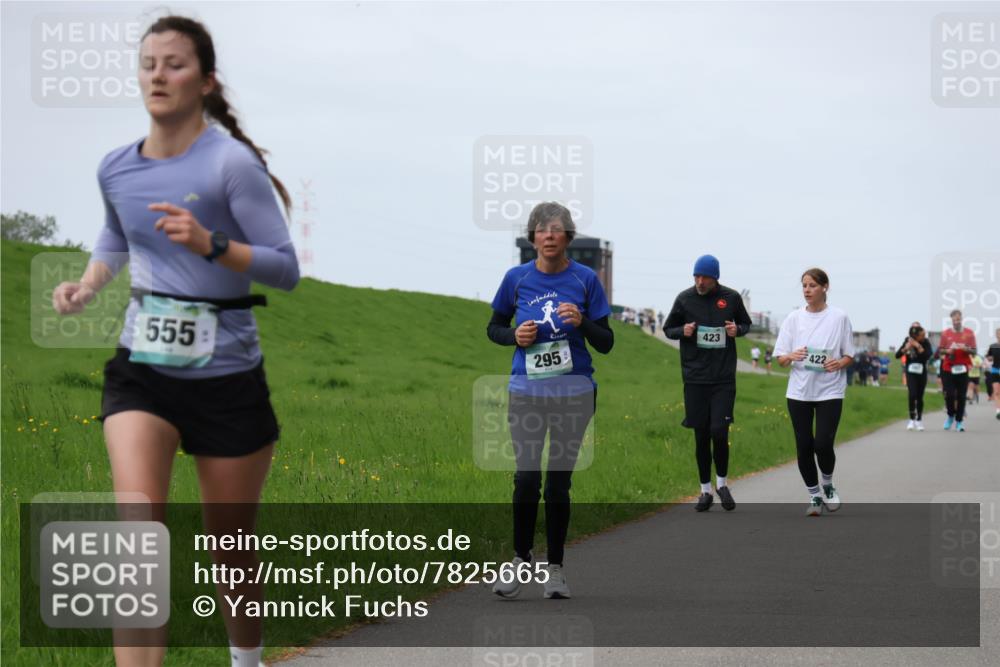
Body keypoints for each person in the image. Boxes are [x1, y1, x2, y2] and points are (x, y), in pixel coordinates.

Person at [52, 16, 299, 667]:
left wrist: (211, 242)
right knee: (138, 534)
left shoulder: (231, 165)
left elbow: (285, 266)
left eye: (175, 63)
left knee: (230, 547)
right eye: (148, 63)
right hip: (145, 369)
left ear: (206, 80)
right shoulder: (116, 167)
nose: (158, 75)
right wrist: (88, 283)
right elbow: (116, 236)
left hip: (227, 375)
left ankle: (246, 659)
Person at [487, 202, 613, 599]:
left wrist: (583, 322)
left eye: (557, 229)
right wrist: (514, 337)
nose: (549, 236)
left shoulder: (586, 280)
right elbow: (493, 328)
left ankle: (555, 569)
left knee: (558, 485)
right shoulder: (516, 278)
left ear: (568, 237)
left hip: (574, 394)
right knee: (526, 479)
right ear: (533, 237)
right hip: (526, 391)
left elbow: (606, 342)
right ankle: (519, 559)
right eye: (542, 229)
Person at [664, 254, 752, 512]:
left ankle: (722, 484)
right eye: (696, 276)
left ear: (715, 278)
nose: (700, 282)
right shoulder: (684, 299)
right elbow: (669, 328)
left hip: (723, 378)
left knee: (719, 431)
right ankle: (704, 491)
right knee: (701, 435)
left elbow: (746, 323)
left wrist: (738, 330)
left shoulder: (732, 298)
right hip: (695, 378)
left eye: (704, 277)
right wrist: (684, 332)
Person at [773, 268, 854, 516]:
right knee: (804, 445)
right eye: (804, 286)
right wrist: (790, 355)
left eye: (812, 285)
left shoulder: (839, 317)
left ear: (825, 287)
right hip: (799, 392)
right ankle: (814, 496)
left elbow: (849, 354)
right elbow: (780, 359)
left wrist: (839, 363)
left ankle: (827, 484)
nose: (807, 290)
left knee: (823, 443)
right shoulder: (793, 318)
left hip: (830, 391)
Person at [939, 309, 978, 432]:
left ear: (962, 319)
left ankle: (959, 421)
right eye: (954, 320)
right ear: (951, 320)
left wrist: (966, 348)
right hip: (948, 368)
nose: (957, 321)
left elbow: (974, 351)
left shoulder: (969, 333)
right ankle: (951, 415)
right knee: (949, 394)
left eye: (958, 319)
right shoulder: (945, 334)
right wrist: (948, 350)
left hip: (963, 368)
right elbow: (940, 350)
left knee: (961, 396)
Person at [895, 325, 933, 431]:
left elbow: (928, 355)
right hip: (910, 372)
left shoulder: (925, 342)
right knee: (912, 395)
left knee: (920, 396)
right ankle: (911, 419)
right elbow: (897, 355)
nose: (924, 336)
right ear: (915, 336)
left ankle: (919, 420)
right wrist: (905, 348)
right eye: (922, 335)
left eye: (924, 335)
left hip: (922, 372)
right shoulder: (907, 341)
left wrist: (918, 346)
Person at [988, 328, 1000, 420]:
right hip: (995, 370)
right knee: (996, 392)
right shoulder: (993, 346)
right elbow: (989, 356)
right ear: (996, 335)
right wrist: (989, 358)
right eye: (998, 334)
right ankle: (998, 411)